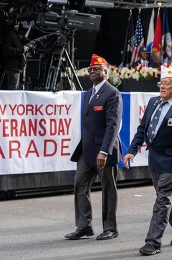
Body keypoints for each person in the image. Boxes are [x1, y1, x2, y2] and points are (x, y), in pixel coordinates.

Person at [123, 66, 172, 256]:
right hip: (155, 159)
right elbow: (142, 129)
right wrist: (132, 150)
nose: (162, 87)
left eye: (167, 84)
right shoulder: (153, 102)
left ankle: (153, 242)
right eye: (161, 83)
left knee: (162, 200)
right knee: (166, 198)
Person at [65, 54, 123, 241]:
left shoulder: (112, 93)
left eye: (97, 69)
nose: (93, 72)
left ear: (106, 73)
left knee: (108, 188)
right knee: (79, 184)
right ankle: (84, 226)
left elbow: (112, 125)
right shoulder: (88, 93)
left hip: (104, 151)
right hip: (87, 149)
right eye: (90, 69)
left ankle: (110, 228)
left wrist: (104, 151)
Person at [1, 14, 27, 90]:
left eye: (18, 23)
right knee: (13, 90)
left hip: (15, 68)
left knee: (14, 89)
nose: (17, 25)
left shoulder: (14, 35)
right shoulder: (10, 34)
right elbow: (6, 50)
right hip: (12, 68)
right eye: (16, 23)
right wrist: (21, 50)